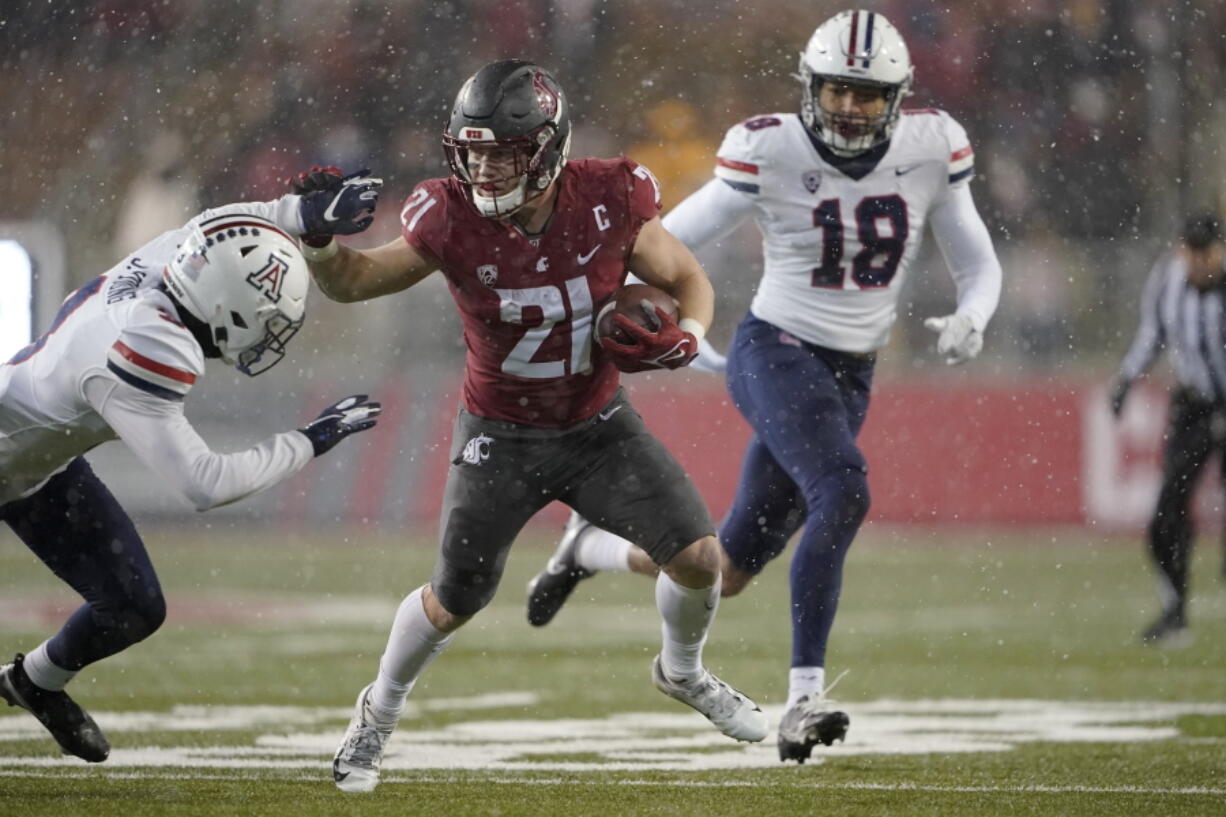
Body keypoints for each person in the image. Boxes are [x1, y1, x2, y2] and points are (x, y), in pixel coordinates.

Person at [526, 9, 1003, 764]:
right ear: (809, 87)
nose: (848, 106)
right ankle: (803, 697)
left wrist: (975, 312)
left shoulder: (932, 146)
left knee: (726, 568)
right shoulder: (770, 148)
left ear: (899, 98)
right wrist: (635, 303)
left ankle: (590, 549)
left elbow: (976, 256)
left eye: (866, 93)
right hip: (775, 348)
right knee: (843, 488)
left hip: (853, 372)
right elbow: (670, 242)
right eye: (836, 89)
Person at [305, 59, 767, 794]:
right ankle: (377, 713)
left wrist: (689, 332)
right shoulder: (447, 213)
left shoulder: (609, 196)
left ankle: (683, 671)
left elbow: (689, 280)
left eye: (505, 153)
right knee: (455, 598)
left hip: (597, 422)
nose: (485, 170)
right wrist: (320, 243)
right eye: (474, 151)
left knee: (701, 558)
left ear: (548, 148)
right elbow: (354, 282)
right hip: (502, 434)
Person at [0, 180, 385, 763]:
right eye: (265, 318)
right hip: (12, 450)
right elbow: (204, 484)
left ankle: (31, 682)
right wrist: (308, 441)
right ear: (227, 309)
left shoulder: (176, 264)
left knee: (133, 607)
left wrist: (303, 212)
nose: (269, 331)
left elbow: (221, 222)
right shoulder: (143, 346)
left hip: (31, 467)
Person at [1109, 212, 1226, 647]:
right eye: (1190, 250)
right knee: (1165, 515)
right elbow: (1152, 332)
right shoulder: (1168, 278)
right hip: (1193, 404)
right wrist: (1126, 378)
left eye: (1206, 250)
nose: (1197, 261)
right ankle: (1175, 609)